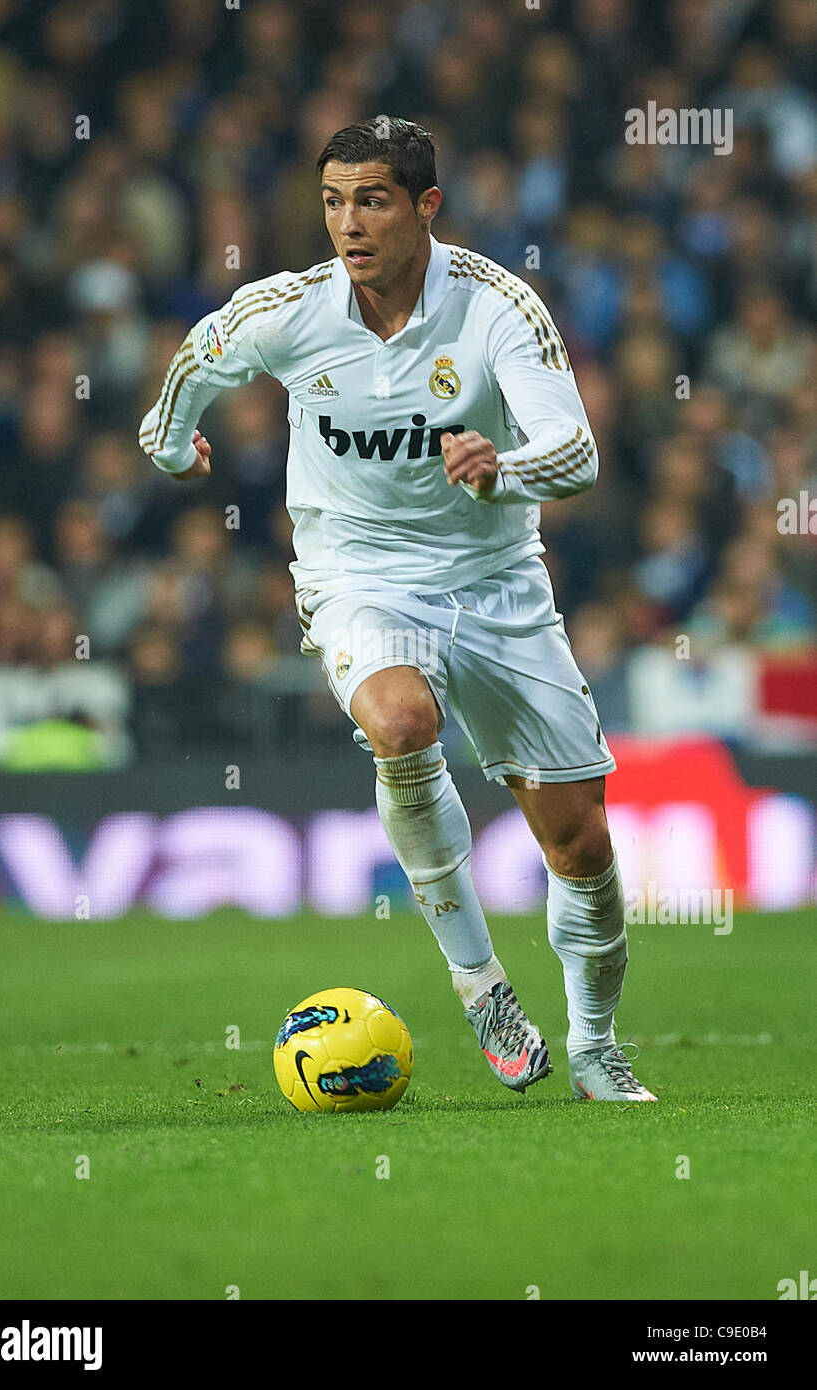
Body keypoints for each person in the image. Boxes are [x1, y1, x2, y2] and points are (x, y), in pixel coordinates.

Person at [139, 118, 655, 1102]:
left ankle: (592, 1045)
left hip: (496, 575)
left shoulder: (498, 307)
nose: (347, 223)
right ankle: (479, 980)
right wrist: (172, 449)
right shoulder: (290, 309)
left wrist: (503, 467)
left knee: (578, 840)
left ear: (425, 206)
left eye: (370, 199)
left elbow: (577, 455)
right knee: (399, 722)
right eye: (332, 201)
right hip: (358, 572)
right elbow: (195, 366)